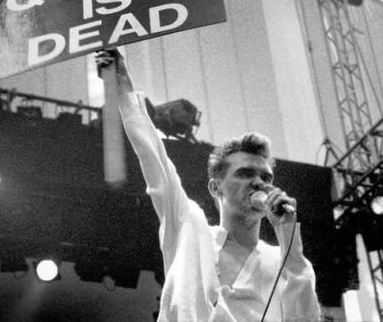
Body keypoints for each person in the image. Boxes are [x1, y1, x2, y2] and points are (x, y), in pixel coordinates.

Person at [102, 50, 321, 322]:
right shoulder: (188, 231)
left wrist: (290, 237)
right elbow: (157, 165)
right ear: (215, 188)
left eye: (266, 177)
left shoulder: (283, 260)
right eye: (244, 173)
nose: (259, 182)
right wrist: (123, 91)